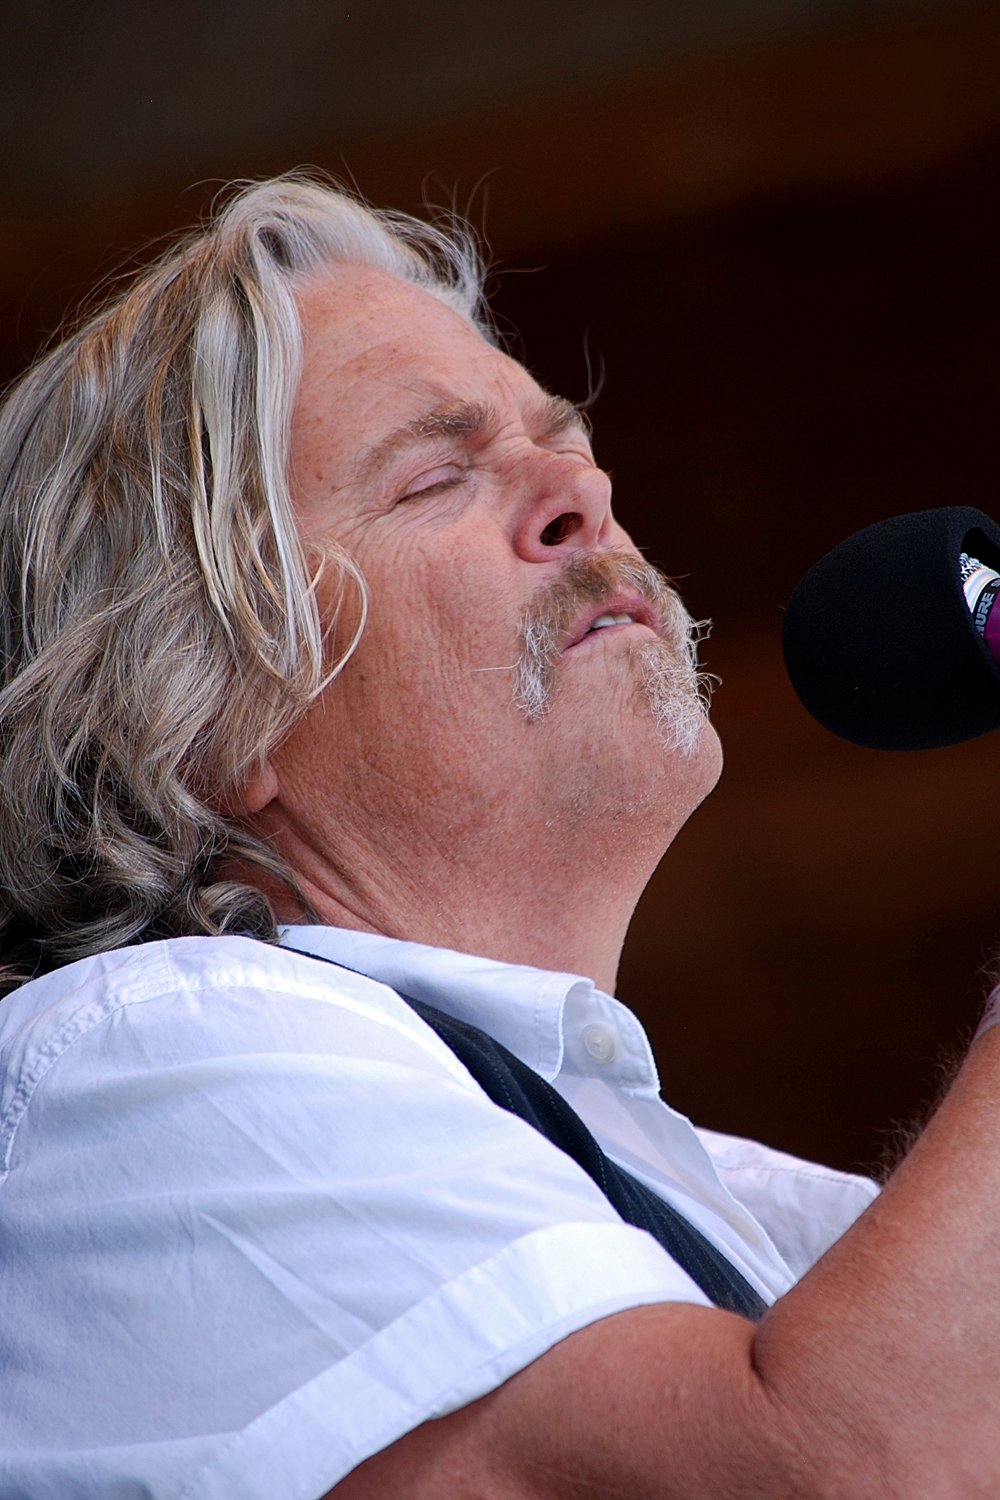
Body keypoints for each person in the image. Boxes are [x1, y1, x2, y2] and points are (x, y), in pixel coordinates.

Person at [0, 175, 996, 1500]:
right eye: (435, 477)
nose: (583, 489)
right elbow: (857, 1464)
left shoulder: (718, 1194)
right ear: (206, 714)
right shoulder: (146, 1054)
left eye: (564, 441)